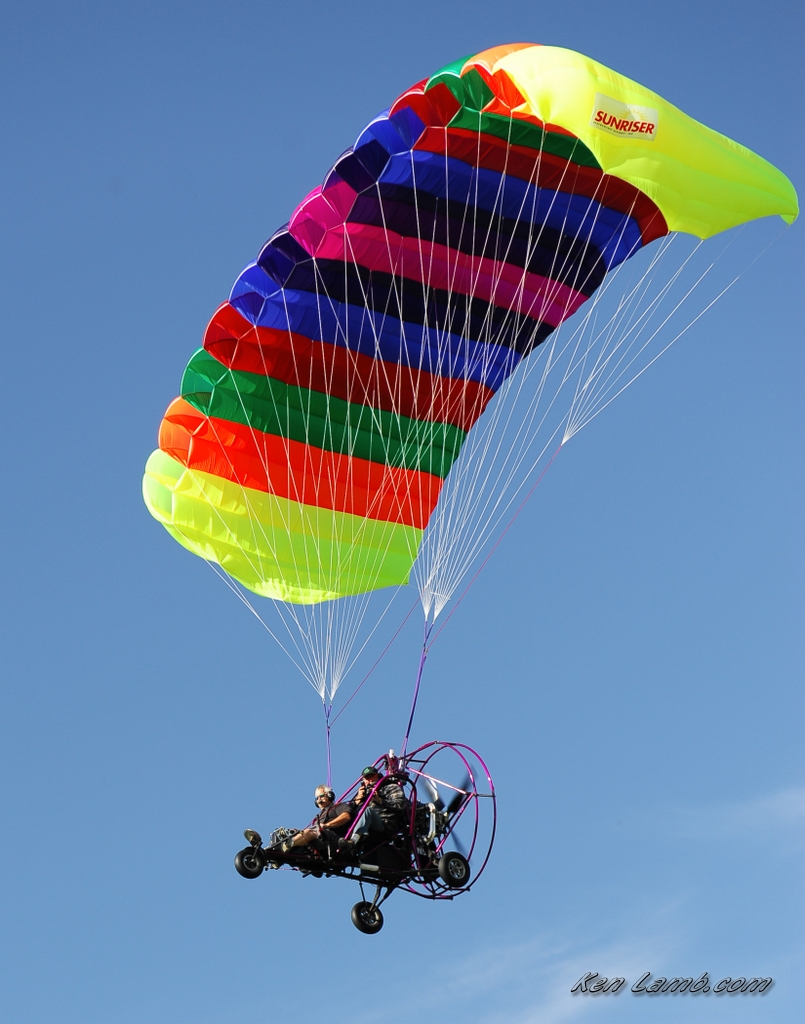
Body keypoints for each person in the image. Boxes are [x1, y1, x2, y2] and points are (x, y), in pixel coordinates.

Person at [346, 765, 410, 845]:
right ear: (363, 780)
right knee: (343, 814)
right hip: (365, 824)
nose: (370, 780)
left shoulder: (390, 787)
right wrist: (358, 800)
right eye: (367, 778)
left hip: (385, 823)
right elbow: (348, 811)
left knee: (367, 810)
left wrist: (379, 800)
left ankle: (353, 842)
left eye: (372, 776)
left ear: (377, 775)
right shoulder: (362, 792)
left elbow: (400, 806)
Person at [281, 785, 353, 855]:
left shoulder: (338, 806)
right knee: (295, 833)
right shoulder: (319, 816)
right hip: (318, 840)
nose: (319, 800)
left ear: (329, 795)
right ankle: (280, 852)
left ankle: (288, 844)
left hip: (332, 839)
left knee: (309, 832)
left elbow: (346, 817)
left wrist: (326, 825)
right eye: (317, 798)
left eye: (321, 796)